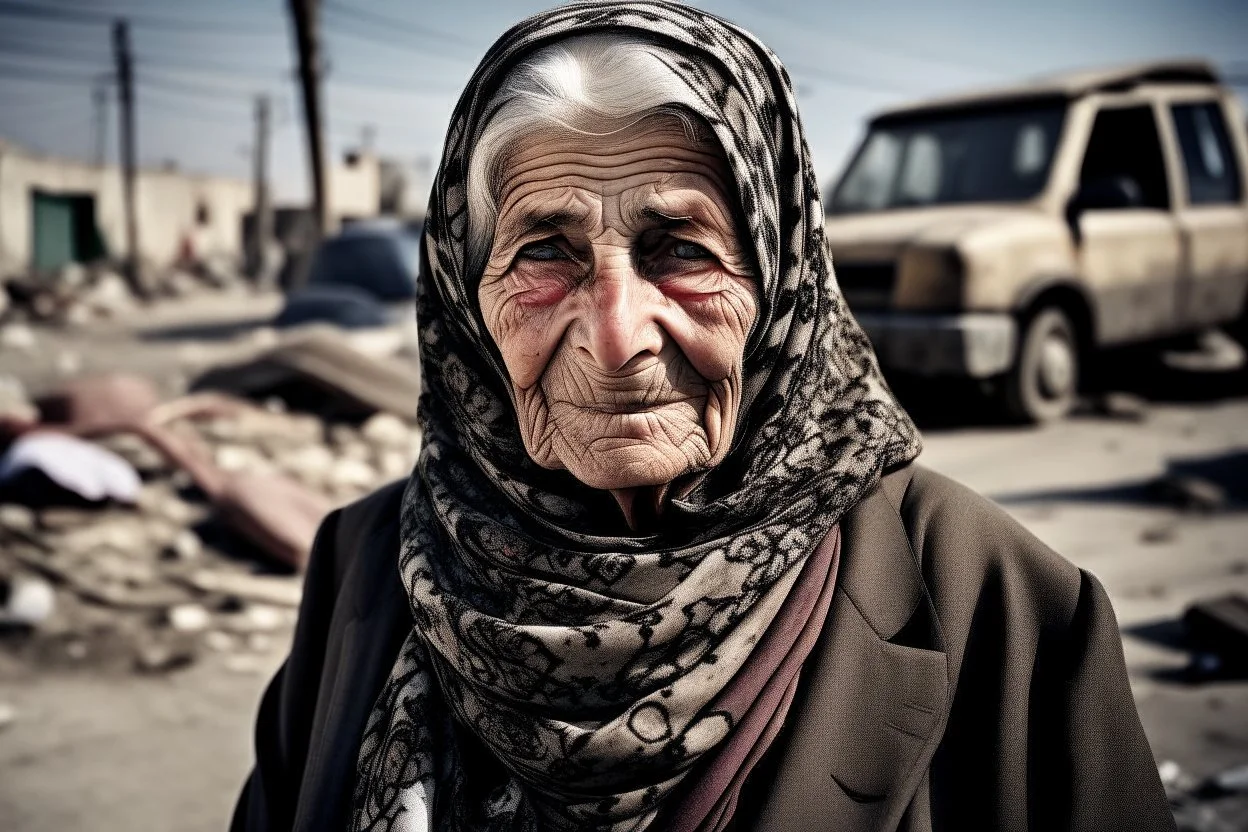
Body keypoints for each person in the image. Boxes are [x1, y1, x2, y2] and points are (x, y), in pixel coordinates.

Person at [232, 3, 1174, 831]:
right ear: (463, 297)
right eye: (544, 252)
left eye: (678, 247)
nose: (615, 336)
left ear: (781, 285)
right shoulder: (362, 570)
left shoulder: (1002, 609)